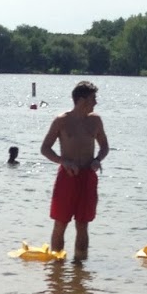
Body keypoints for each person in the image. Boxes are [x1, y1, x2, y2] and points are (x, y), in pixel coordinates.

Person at [40, 80, 109, 259]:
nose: (96, 102)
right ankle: (57, 266)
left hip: (88, 175)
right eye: (93, 98)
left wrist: (97, 160)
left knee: (83, 224)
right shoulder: (61, 121)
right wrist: (63, 162)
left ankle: (80, 266)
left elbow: (104, 147)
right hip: (68, 175)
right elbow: (45, 148)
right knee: (60, 223)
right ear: (81, 100)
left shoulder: (96, 120)